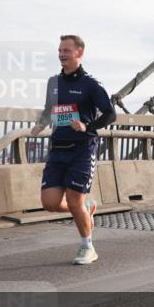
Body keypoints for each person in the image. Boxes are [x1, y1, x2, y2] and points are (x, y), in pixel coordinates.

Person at [30, 35, 116, 265]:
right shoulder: (53, 82)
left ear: (79, 53)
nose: (61, 54)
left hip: (82, 149)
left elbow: (110, 114)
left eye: (66, 50)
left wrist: (88, 125)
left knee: (73, 199)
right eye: (60, 50)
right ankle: (87, 208)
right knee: (49, 203)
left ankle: (87, 247)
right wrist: (41, 123)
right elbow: (50, 108)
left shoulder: (91, 84)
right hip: (58, 148)